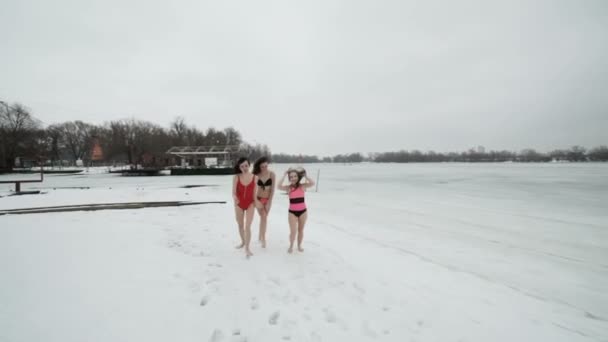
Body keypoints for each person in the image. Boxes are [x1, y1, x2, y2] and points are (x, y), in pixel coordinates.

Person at [277, 167, 315, 253]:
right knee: (293, 231)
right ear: (289, 179)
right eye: (291, 177)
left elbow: (312, 183)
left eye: (295, 176)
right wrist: (284, 175)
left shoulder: (302, 186)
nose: (293, 178)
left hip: (303, 212)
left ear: (298, 177)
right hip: (292, 212)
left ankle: (299, 246)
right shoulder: (288, 188)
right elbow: (278, 186)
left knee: (301, 230)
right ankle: (291, 246)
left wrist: (306, 176)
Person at [232, 157, 260, 258]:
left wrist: (256, 203)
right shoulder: (236, 177)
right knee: (240, 225)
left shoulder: (255, 177)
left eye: (246, 166)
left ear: (249, 165)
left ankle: (247, 248)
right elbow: (234, 192)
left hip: (250, 204)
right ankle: (243, 242)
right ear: (239, 167)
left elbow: (254, 193)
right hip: (239, 203)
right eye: (242, 166)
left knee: (247, 226)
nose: (244, 168)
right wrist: (235, 198)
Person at [252, 156, 275, 248]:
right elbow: (252, 189)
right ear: (259, 167)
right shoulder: (256, 175)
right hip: (258, 199)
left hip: (268, 199)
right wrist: (255, 200)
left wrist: (269, 201)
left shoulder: (272, 174)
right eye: (262, 167)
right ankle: (263, 238)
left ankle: (260, 235)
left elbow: (272, 189)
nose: (264, 168)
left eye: (266, 166)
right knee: (264, 217)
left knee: (263, 218)